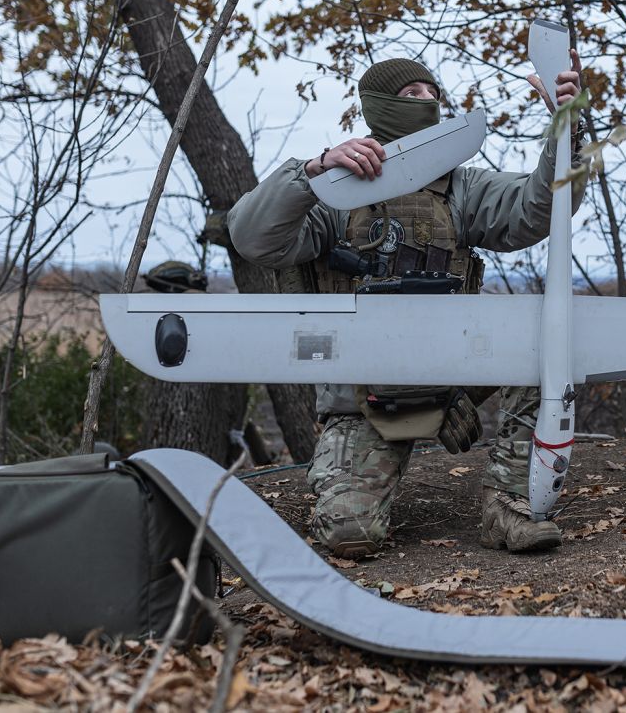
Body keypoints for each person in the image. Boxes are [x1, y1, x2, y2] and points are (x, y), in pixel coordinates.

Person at [227, 54, 586, 558]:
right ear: (376, 106)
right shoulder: (335, 192)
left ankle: (508, 504)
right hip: (365, 396)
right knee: (349, 535)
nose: (428, 102)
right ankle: (345, 485)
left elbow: (536, 209)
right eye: (411, 94)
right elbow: (252, 238)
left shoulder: (462, 188)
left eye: (432, 92)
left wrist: (566, 128)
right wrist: (312, 171)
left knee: (538, 350)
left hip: (456, 375)